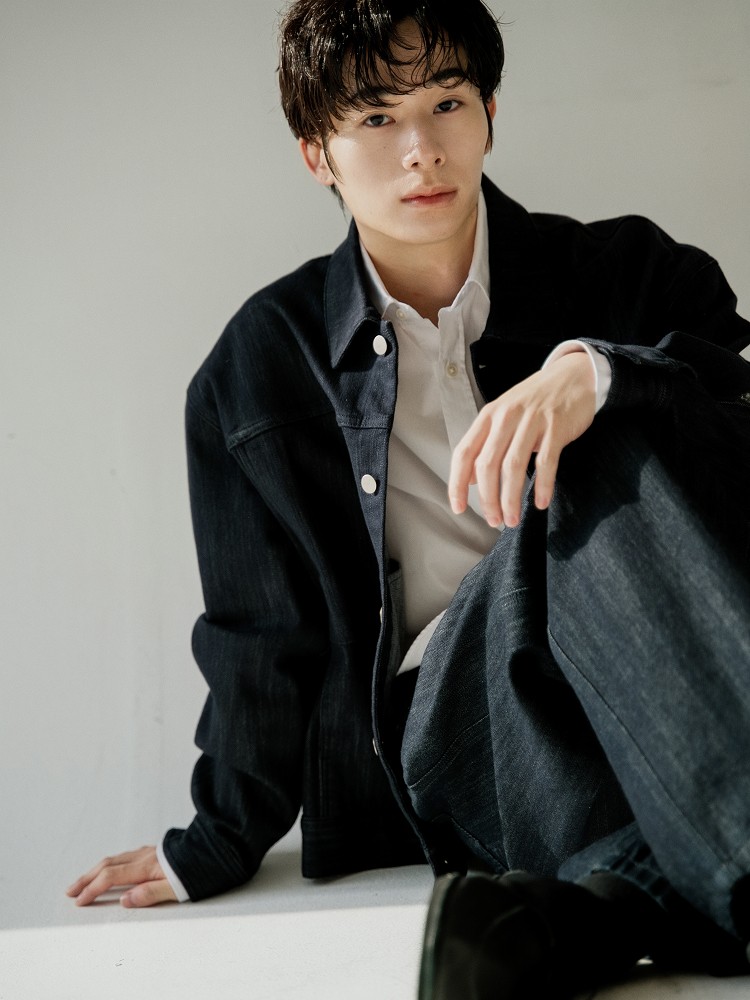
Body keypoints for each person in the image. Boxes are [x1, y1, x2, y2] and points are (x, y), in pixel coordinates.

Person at [68, 1, 750, 996]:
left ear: (490, 114)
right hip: (470, 728)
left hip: (658, 678)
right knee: (577, 479)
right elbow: (262, 635)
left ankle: (591, 913)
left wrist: (596, 372)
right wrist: (216, 836)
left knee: (606, 420)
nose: (421, 149)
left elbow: (734, 438)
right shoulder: (258, 366)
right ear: (318, 154)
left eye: (447, 103)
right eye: (377, 119)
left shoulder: (626, 273)